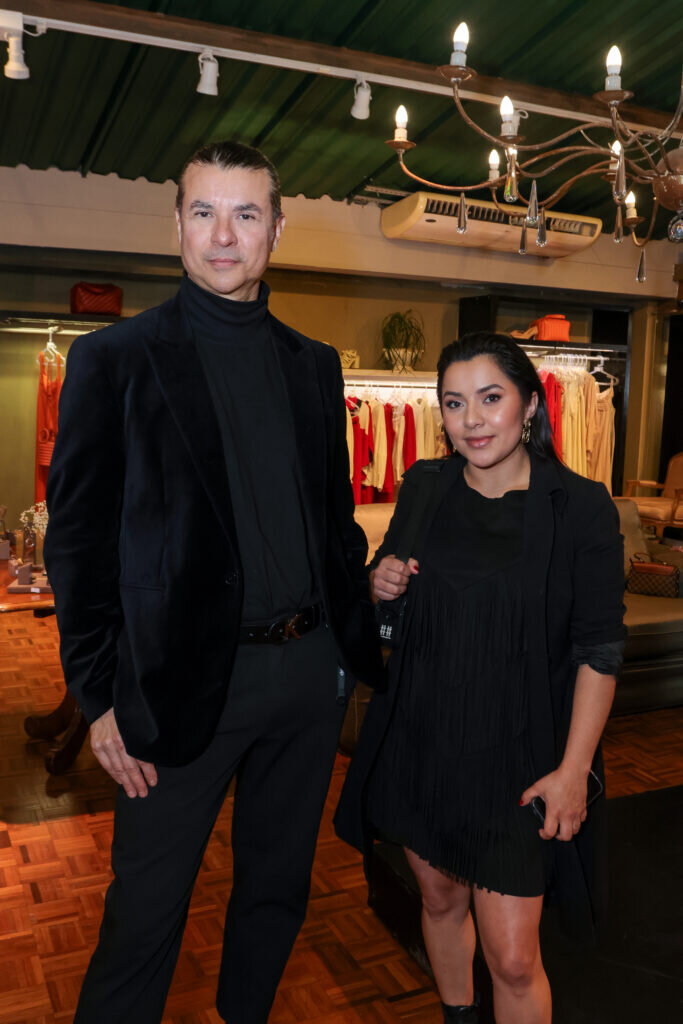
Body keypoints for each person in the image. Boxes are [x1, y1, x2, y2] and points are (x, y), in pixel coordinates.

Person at [44, 140, 383, 1024]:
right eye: (204, 212)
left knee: (275, 894)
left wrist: (349, 632)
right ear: (177, 226)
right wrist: (97, 696)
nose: (223, 236)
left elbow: (333, 521)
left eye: (244, 214)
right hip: (178, 687)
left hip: (306, 677)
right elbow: (76, 545)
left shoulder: (314, 365)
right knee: (143, 915)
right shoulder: (113, 359)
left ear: (277, 228)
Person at [334, 332, 625, 1024]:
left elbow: (599, 651)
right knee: (438, 902)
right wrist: (380, 582)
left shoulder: (578, 506)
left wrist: (573, 771)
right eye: (455, 403)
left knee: (515, 960)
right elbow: (390, 585)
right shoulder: (425, 486)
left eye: (490, 398)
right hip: (422, 744)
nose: (472, 420)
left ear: (530, 405)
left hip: (517, 760)